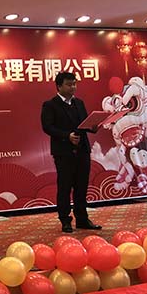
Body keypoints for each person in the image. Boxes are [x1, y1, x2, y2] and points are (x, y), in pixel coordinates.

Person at [41, 72, 102, 233]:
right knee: (65, 187)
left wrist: (94, 126)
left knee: (81, 186)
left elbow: (84, 123)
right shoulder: (50, 105)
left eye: (74, 84)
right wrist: (66, 136)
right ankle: (65, 220)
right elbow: (47, 127)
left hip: (82, 150)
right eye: (69, 84)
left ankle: (82, 219)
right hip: (64, 152)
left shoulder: (79, 103)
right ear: (59, 86)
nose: (73, 87)